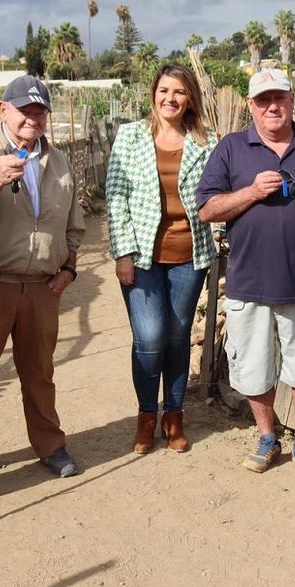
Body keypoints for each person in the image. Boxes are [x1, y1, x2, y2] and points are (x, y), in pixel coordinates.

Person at [197, 68, 295, 476]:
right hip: (248, 281)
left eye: (279, 98)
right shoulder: (232, 149)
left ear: (291, 101)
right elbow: (207, 209)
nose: (272, 106)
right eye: (263, 99)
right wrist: (251, 191)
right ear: (251, 105)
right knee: (252, 366)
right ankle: (267, 437)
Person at [0, 75, 86, 482]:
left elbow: (73, 224)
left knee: (39, 374)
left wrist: (68, 268)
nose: (33, 118)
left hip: (43, 287)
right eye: (25, 110)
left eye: (40, 111)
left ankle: (49, 445)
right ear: (2, 109)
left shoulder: (58, 161)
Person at [106, 64, 215, 453]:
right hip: (142, 257)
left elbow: (217, 195)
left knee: (177, 336)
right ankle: (145, 415)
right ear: (153, 93)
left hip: (190, 256)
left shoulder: (206, 141)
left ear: (190, 99)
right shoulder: (131, 136)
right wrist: (123, 252)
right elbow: (116, 196)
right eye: (164, 90)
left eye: (179, 92)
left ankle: (174, 415)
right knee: (149, 338)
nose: (170, 98)